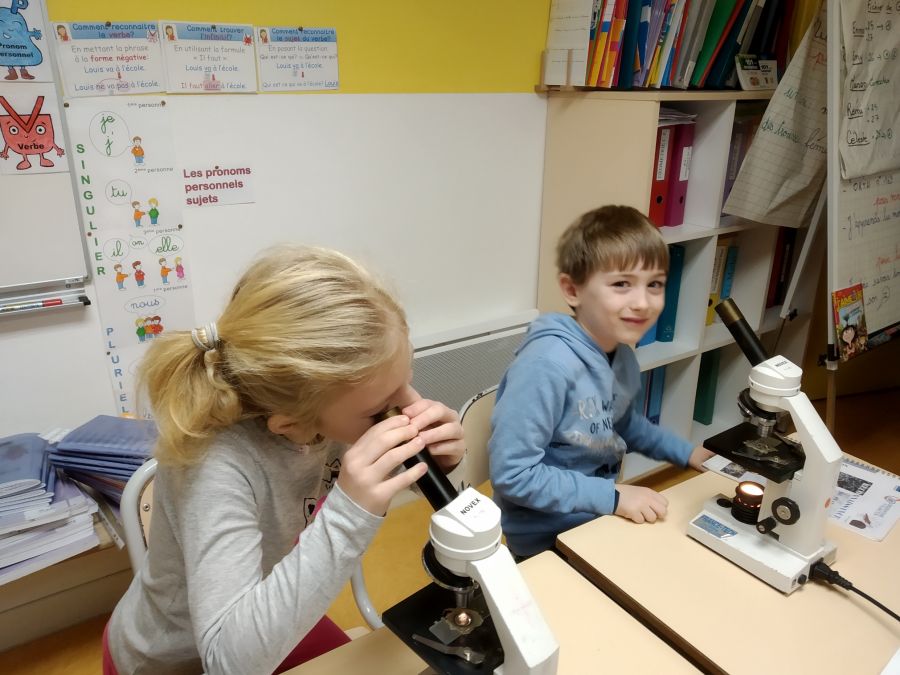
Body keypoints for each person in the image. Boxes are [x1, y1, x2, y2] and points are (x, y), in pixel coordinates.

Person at [103, 245, 466, 674]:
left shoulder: (329, 409)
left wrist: (436, 463)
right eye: (381, 409)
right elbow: (226, 662)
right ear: (290, 424)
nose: (410, 406)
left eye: (407, 380)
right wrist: (348, 515)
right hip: (176, 657)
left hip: (270, 607)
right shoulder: (213, 465)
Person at [489, 205, 712, 558]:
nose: (643, 302)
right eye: (622, 284)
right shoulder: (546, 366)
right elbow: (513, 474)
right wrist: (615, 497)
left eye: (654, 284)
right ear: (572, 290)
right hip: (546, 541)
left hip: (596, 516)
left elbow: (623, 424)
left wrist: (689, 453)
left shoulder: (621, 354)